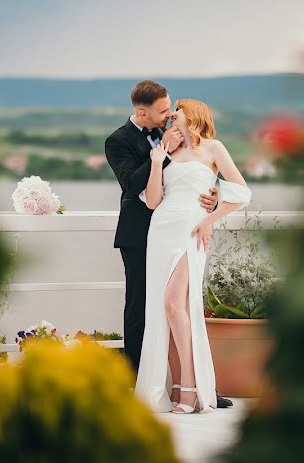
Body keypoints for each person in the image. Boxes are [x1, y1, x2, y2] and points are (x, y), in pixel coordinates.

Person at [134, 98, 251, 413]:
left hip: (191, 231)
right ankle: (174, 387)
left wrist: (209, 219)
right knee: (166, 310)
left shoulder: (214, 148)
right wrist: (157, 160)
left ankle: (189, 386)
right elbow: (152, 201)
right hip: (161, 231)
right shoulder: (168, 152)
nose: (173, 114)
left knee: (175, 304)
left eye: (178, 109)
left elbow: (241, 192)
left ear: (195, 114)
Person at [104, 81, 218, 378]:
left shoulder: (169, 132)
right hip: (139, 235)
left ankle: (196, 384)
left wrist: (213, 194)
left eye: (170, 109)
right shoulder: (117, 141)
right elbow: (131, 183)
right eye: (163, 110)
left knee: (183, 305)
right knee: (140, 307)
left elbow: (192, 172)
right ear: (142, 114)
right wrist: (164, 150)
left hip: (176, 233)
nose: (170, 114)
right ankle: (137, 380)